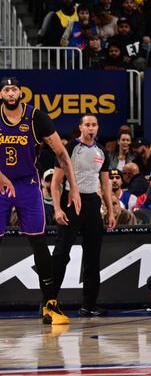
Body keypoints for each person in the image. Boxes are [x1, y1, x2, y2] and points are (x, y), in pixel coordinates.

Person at [0, 76, 80, 325]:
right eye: (6, 89)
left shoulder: (36, 117)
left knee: (39, 243)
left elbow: (62, 153)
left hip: (27, 184)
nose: (11, 93)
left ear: (20, 93)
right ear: (1, 95)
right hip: (1, 184)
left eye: (14, 89)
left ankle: (50, 304)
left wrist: (74, 189)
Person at [51, 114, 117, 316]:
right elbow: (56, 182)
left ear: (98, 128)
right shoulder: (70, 148)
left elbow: (105, 184)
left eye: (94, 125)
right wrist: (57, 208)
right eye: (87, 124)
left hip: (92, 203)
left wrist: (110, 211)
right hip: (71, 202)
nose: (91, 128)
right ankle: (49, 302)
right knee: (62, 253)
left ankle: (89, 304)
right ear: (80, 127)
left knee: (93, 255)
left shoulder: (101, 151)